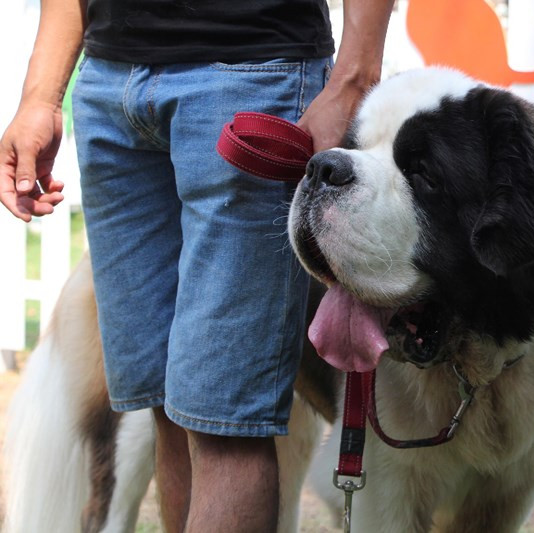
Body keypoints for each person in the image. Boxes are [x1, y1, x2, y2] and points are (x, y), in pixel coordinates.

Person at [0, 0, 393, 531]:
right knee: (169, 409)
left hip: (252, 71)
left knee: (226, 423)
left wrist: (354, 78)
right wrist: (40, 96)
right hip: (109, 83)